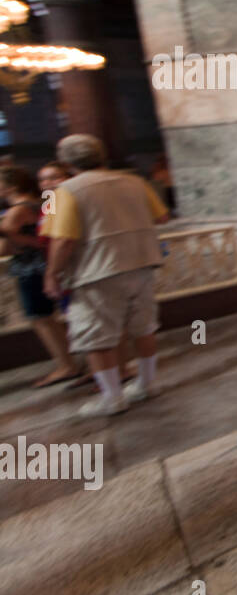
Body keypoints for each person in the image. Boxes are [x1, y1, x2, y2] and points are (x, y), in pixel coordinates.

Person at [41, 135, 170, 416]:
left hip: (97, 271)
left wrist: (52, 274)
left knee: (97, 337)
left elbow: (62, 239)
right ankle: (147, 384)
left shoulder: (63, 191)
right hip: (141, 263)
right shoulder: (134, 182)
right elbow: (161, 217)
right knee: (144, 327)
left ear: (66, 162)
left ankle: (112, 397)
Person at [0, 165, 78, 386]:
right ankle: (71, 363)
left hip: (32, 267)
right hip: (42, 264)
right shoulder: (41, 202)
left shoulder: (18, 210)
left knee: (41, 319)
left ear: (11, 185)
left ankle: (67, 365)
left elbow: (9, 245)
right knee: (48, 318)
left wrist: (17, 240)